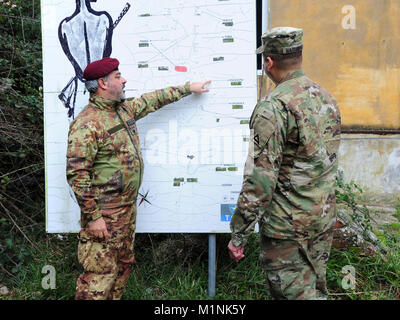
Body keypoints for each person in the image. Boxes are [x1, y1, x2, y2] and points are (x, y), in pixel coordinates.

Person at [66, 57, 210, 300]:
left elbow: (153, 99)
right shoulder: (87, 123)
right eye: (118, 76)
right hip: (105, 216)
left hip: (126, 212)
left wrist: (188, 88)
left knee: (122, 268)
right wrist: (94, 218)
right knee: (99, 277)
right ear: (102, 83)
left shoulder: (123, 110)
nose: (124, 80)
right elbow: (77, 174)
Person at [228, 27, 341, 300]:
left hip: (287, 229)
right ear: (298, 56)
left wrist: (239, 233)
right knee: (314, 291)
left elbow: (259, 179)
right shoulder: (325, 97)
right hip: (322, 218)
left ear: (269, 62)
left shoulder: (273, 107)